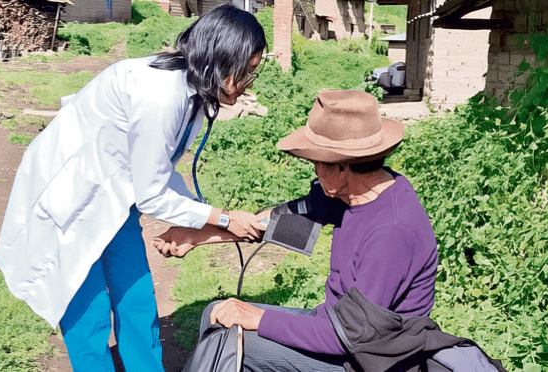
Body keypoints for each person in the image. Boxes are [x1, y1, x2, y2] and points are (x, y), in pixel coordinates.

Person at [0, 4, 267, 372]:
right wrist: (221, 219)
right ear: (220, 58)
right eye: (246, 71)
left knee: (136, 301)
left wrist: (200, 223)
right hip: (71, 205)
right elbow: (151, 193)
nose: (249, 81)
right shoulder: (159, 93)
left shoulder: (194, 95)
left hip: (115, 200)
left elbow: (160, 170)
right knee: (89, 317)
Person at [154, 89, 439, 371]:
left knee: (229, 339)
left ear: (342, 166)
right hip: (336, 326)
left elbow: (353, 334)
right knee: (217, 314)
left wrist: (259, 318)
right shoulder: (352, 193)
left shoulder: (391, 231)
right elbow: (283, 222)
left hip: (371, 358)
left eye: (317, 162)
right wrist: (197, 235)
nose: (314, 170)